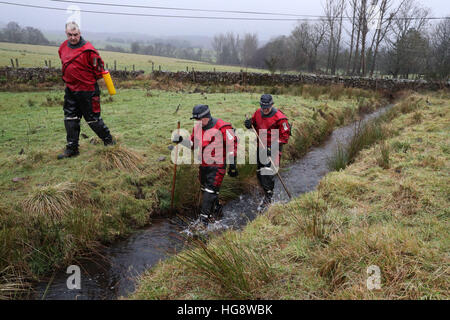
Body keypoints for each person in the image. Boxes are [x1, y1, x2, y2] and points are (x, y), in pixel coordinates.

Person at [57, 21, 115, 159]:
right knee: (70, 118)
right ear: (66, 33)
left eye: (75, 34)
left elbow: (99, 71)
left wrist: (85, 80)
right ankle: (72, 149)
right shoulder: (63, 47)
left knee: (93, 119)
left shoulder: (89, 50)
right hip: (70, 89)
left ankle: (110, 142)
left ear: (80, 33)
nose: (72, 37)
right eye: (70, 34)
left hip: (88, 91)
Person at [173, 105, 238, 225]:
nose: (197, 122)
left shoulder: (223, 126)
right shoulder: (197, 127)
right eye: (196, 120)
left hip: (218, 165)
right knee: (205, 189)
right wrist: (182, 140)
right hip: (203, 164)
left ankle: (203, 222)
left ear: (206, 117)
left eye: (199, 119)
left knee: (210, 190)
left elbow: (232, 144)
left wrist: (232, 164)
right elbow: (194, 145)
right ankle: (217, 209)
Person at [244, 94, 290, 209]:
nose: (265, 109)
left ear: (272, 105)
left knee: (268, 171)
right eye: (263, 107)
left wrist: (273, 146)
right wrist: (249, 124)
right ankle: (264, 189)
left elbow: (285, 137)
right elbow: (253, 125)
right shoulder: (257, 113)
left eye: (267, 107)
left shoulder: (280, 118)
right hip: (261, 144)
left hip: (274, 146)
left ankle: (269, 196)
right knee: (260, 170)